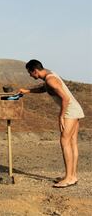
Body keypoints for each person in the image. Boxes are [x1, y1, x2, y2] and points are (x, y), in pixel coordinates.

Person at [19, 59, 85, 188]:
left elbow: (65, 98)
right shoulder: (50, 76)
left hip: (70, 111)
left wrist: (61, 116)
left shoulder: (50, 79)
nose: (30, 75)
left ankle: (69, 178)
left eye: (30, 73)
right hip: (74, 109)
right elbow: (44, 89)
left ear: (35, 71)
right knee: (72, 142)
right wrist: (27, 91)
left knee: (64, 141)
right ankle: (72, 175)